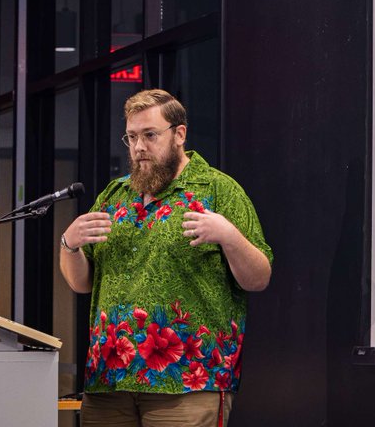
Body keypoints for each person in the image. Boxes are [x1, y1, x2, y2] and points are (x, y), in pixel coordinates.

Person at [60, 89, 272, 427]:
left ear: (179, 135)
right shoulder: (114, 196)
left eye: (149, 135)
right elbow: (81, 282)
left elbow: (259, 277)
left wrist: (228, 236)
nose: (139, 147)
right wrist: (69, 245)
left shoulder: (217, 190)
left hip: (187, 381)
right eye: (131, 137)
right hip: (110, 379)